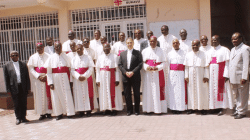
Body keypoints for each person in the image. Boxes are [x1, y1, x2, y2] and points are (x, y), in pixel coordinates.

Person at [44, 42, 75, 120]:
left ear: (61, 47)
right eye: (56, 47)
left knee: (67, 95)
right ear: (54, 48)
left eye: (59, 46)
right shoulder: (51, 58)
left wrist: (71, 80)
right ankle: (59, 113)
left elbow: (70, 69)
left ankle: (69, 113)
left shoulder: (66, 56)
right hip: (55, 79)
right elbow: (49, 72)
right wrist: (50, 82)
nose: (58, 48)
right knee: (56, 96)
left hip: (65, 78)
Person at [208, 35, 233, 116]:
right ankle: (215, 107)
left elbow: (227, 63)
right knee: (213, 90)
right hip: (212, 75)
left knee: (223, 91)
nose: (214, 41)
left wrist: (226, 74)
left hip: (221, 74)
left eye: (215, 40)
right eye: (212, 40)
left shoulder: (225, 50)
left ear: (219, 40)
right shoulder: (210, 50)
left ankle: (223, 108)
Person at [141, 36, 167, 114]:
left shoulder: (161, 51)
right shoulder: (145, 51)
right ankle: (148, 109)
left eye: (154, 41)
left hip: (157, 74)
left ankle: (158, 110)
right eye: (151, 41)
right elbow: (142, 63)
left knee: (157, 91)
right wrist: (146, 67)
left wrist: (158, 67)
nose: (152, 43)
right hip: (148, 75)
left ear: (157, 42)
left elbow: (165, 62)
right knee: (148, 91)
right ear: (149, 41)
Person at [71, 44, 98, 117]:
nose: (78, 50)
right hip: (78, 80)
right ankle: (81, 111)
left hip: (87, 78)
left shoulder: (88, 57)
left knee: (88, 94)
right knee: (79, 94)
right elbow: (72, 70)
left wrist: (85, 76)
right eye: (77, 49)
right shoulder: (73, 59)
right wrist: (78, 76)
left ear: (83, 49)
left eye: (80, 49)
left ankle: (88, 110)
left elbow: (91, 68)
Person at [96, 43, 123, 116]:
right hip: (102, 78)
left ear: (110, 49)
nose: (106, 49)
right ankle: (105, 108)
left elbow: (117, 69)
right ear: (103, 49)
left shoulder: (114, 56)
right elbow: (97, 69)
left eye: (107, 48)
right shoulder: (100, 57)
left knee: (113, 93)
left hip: (112, 76)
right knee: (104, 92)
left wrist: (117, 79)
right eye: (105, 48)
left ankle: (114, 109)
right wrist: (97, 80)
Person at [3, 51, 30, 125]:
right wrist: (8, 90)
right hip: (13, 88)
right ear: (10, 56)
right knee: (16, 103)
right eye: (12, 55)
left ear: (18, 55)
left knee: (23, 103)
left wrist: (28, 88)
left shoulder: (23, 64)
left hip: (23, 86)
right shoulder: (7, 65)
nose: (14, 56)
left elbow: (27, 77)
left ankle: (23, 117)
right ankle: (18, 118)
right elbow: (6, 79)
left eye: (16, 55)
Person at [27, 43, 52, 120]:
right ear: (36, 49)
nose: (39, 49)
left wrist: (46, 76)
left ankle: (49, 112)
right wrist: (38, 76)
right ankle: (42, 113)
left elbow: (51, 67)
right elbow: (31, 68)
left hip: (46, 78)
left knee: (48, 95)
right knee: (39, 96)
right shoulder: (33, 57)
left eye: (41, 48)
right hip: (38, 80)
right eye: (38, 48)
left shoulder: (49, 56)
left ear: (43, 48)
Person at [227, 32, 249, 119]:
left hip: (241, 77)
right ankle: (238, 110)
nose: (233, 40)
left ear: (241, 39)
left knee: (243, 95)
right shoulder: (232, 49)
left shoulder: (245, 48)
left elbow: (246, 64)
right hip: (233, 77)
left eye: (235, 39)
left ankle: (242, 112)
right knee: (236, 95)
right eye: (232, 39)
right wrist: (229, 76)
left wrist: (244, 77)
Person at [184, 40, 209, 115]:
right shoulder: (188, 55)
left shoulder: (204, 54)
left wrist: (206, 76)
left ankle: (202, 108)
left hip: (200, 76)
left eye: (196, 45)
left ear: (199, 45)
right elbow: (186, 67)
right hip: (191, 77)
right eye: (193, 45)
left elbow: (206, 66)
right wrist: (186, 76)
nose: (194, 47)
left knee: (201, 91)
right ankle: (192, 108)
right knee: (191, 92)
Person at [118, 38, 143, 116]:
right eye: (128, 43)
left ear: (133, 43)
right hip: (126, 76)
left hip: (135, 76)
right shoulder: (122, 54)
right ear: (126, 43)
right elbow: (120, 65)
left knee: (136, 94)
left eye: (131, 42)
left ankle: (137, 110)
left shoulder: (138, 53)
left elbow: (140, 64)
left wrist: (133, 72)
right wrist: (125, 72)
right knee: (127, 94)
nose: (129, 44)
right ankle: (129, 110)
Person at [167, 39, 186, 114]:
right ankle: (173, 108)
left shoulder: (184, 53)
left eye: (176, 43)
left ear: (179, 43)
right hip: (172, 74)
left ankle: (180, 108)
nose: (175, 44)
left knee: (180, 91)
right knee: (173, 91)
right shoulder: (169, 54)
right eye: (173, 43)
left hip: (181, 74)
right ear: (172, 44)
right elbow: (168, 65)